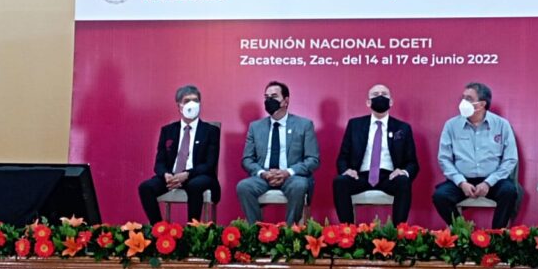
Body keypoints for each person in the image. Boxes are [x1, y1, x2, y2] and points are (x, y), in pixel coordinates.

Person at [432, 82, 520, 229]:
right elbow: (444, 159)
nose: (463, 102)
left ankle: (496, 235)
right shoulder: (451, 125)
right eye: (463, 97)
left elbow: (510, 159)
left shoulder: (502, 125)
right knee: (440, 196)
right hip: (462, 180)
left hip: (493, 180)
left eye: (469, 99)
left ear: (482, 104)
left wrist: (488, 182)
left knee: (509, 192)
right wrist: (461, 182)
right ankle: (464, 232)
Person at [333, 84, 419, 225]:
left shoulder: (403, 128)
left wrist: (403, 172)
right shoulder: (355, 125)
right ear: (368, 102)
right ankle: (347, 231)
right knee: (340, 181)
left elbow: (412, 163)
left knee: (404, 181)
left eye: (384, 94)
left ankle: (399, 231)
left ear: (391, 101)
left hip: (389, 176)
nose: (380, 97)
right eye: (375, 94)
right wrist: (346, 170)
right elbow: (342, 157)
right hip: (360, 176)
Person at [237, 81, 319, 225]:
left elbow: (313, 159)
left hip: (292, 176)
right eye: (266, 97)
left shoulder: (304, 125)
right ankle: (257, 230)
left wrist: (287, 172)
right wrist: (263, 173)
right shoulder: (256, 127)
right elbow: (247, 159)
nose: (269, 101)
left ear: (285, 101)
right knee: (243, 186)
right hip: (264, 176)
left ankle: (290, 231)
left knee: (299, 185)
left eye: (274, 97)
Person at [137, 85, 221, 223]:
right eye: (187, 101)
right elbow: (159, 162)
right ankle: (160, 228)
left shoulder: (210, 131)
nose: (192, 104)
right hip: (172, 176)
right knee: (145, 188)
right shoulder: (168, 130)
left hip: (199, 176)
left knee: (195, 185)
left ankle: (193, 230)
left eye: (195, 100)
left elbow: (209, 164)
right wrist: (166, 175)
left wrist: (187, 174)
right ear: (179, 106)